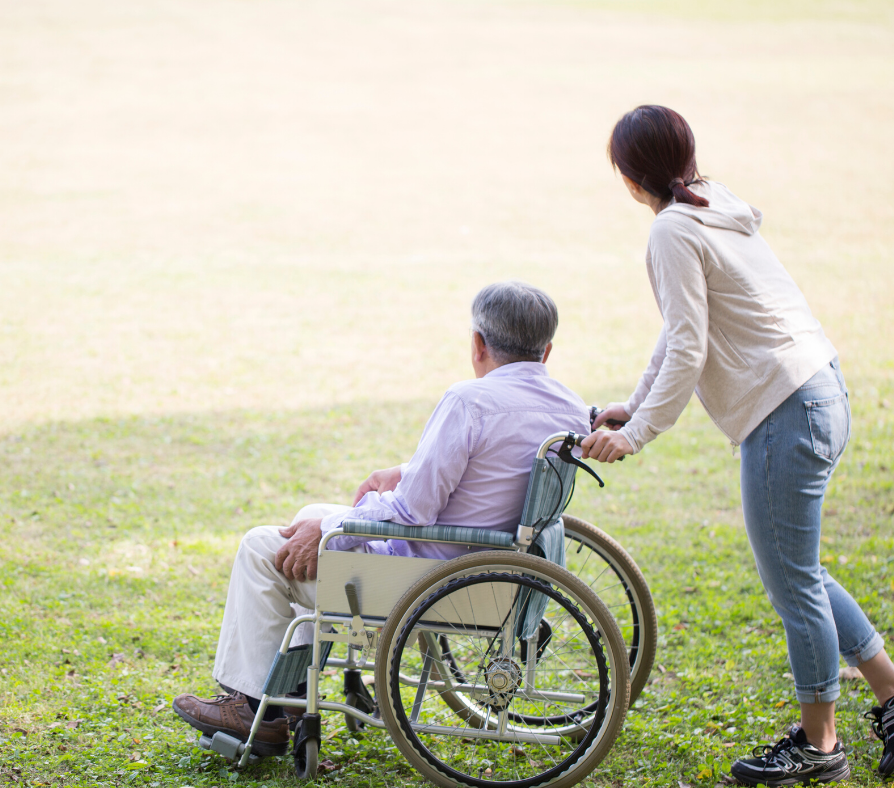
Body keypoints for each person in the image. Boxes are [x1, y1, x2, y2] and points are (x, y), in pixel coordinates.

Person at [578, 104, 894, 785]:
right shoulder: (712, 203)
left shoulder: (671, 228)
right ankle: (892, 695)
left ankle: (821, 747)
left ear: (630, 176)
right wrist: (635, 402)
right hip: (819, 390)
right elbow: (681, 327)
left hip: (785, 409)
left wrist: (636, 435)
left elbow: (689, 343)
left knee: (794, 587)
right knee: (799, 570)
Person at [172, 280, 591, 755]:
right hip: (497, 572)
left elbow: (414, 510)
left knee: (261, 547)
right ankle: (282, 698)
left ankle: (257, 709)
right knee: (308, 519)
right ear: (547, 350)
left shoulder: (469, 402)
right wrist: (400, 474)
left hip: (425, 579)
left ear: (477, 344)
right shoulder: (571, 407)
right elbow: (492, 473)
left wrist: (336, 528)